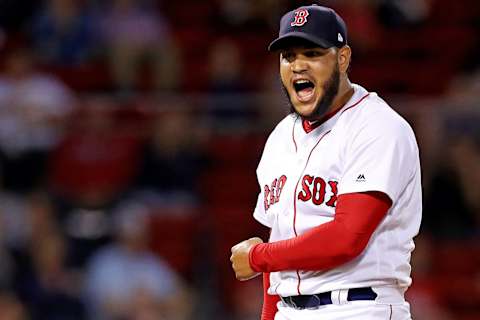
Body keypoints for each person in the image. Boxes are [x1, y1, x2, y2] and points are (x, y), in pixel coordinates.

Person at [230, 4, 422, 320]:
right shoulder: (280, 137)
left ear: (342, 58)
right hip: (290, 310)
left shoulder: (377, 126)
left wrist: (258, 257)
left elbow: (347, 237)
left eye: (312, 53)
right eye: (289, 56)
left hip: (359, 307)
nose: (298, 65)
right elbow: (279, 244)